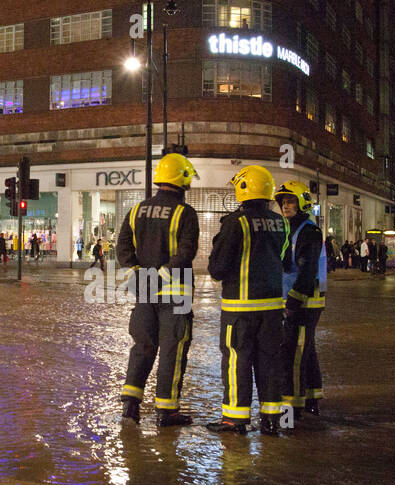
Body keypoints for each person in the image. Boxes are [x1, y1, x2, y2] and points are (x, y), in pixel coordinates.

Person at [116, 153, 200, 428]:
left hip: (144, 293)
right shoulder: (184, 213)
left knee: (142, 346)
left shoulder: (136, 210)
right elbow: (187, 251)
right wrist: (163, 274)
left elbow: (123, 248)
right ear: (183, 179)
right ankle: (166, 411)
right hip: (175, 295)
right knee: (171, 351)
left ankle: (130, 406)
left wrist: (138, 273)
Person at [206, 165, 290, 436]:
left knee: (236, 361)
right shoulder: (281, 223)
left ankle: (235, 419)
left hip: (240, 309)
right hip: (273, 309)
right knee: (269, 362)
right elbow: (285, 263)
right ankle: (271, 419)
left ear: (243, 189)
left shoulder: (235, 223)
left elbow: (217, 270)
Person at [276, 180, 327, 420]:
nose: (286, 206)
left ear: (302, 203)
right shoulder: (290, 228)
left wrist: (293, 302)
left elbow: (307, 272)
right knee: (307, 349)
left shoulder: (309, 230)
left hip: (305, 301)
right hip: (296, 298)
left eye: (290, 201)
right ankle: (312, 397)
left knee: (294, 351)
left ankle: (292, 407)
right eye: (283, 201)